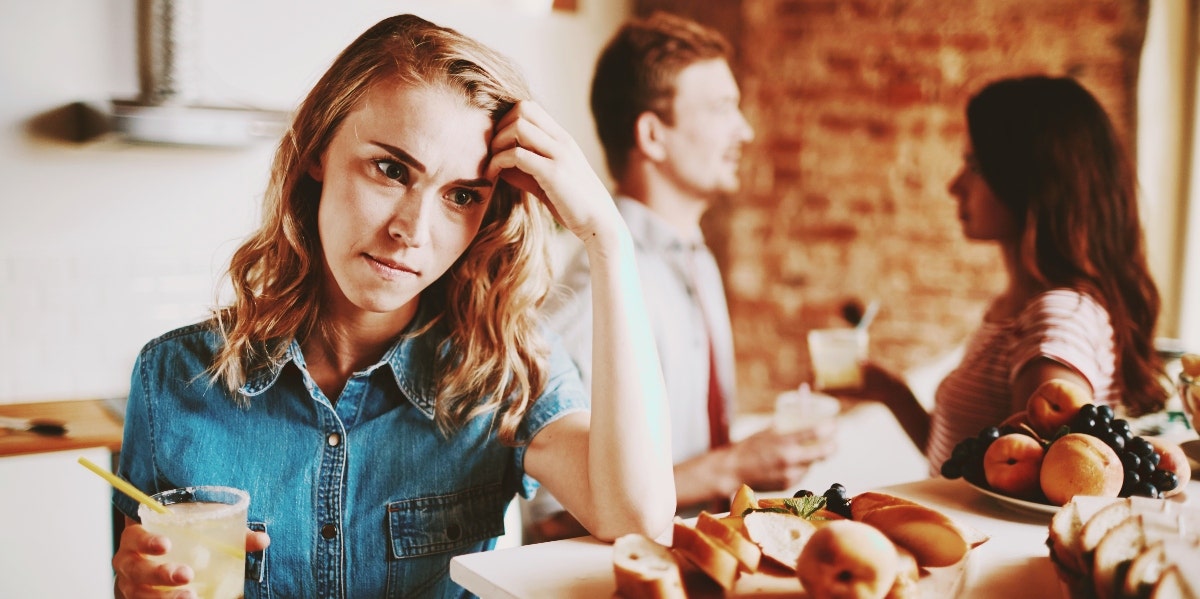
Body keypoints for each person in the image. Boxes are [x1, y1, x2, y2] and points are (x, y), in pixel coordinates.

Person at [109, 14, 676, 598]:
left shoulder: (502, 372)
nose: (414, 230)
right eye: (391, 169)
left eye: (460, 196)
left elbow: (637, 518)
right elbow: (147, 577)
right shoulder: (173, 378)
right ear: (317, 153)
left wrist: (608, 237)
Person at [525, 11, 836, 542]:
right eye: (722, 108)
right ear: (652, 135)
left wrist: (749, 462)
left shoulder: (698, 259)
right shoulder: (594, 291)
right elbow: (553, 520)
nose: (746, 129)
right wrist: (729, 467)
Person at [854, 75, 1169, 472]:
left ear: (1030, 180)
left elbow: (1043, 493)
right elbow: (966, 461)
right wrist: (892, 393)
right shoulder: (1020, 307)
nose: (955, 185)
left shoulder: (1056, 318)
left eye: (974, 165)